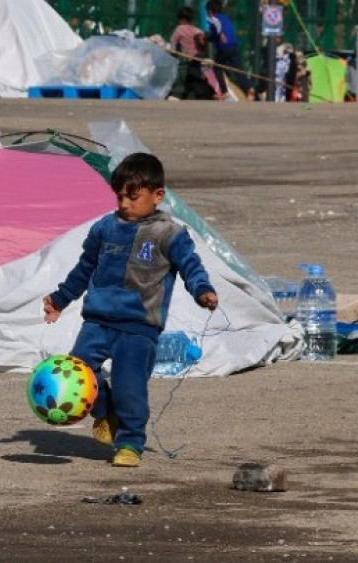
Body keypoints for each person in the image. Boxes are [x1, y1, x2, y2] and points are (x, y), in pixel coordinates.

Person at [42, 153, 218, 468]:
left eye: (133, 197)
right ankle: (107, 412)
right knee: (78, 374)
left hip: (139, 328)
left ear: (157, 195)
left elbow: (191, 265)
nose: (124, 203)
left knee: (129, 386)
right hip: (97, 322)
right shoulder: (104, 228)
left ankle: (130, 444)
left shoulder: (169, 232)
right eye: (120, 196)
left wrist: (202, 290)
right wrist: (60, 298)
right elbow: (83, 269)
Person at [205, 0, 250, 99]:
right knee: (238, 69)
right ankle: (248, 89)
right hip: (235, 46)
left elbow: (215, 32)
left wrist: (206, 38)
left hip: (225, 47)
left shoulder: (214, 19)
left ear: (210, 11)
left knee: (217, 67)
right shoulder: (226, 18)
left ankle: (224, 91)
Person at [169, 6, 214, 100]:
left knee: (181, 76)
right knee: (193, 78)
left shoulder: (179, 29)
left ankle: (177, 94)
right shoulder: (197, 30)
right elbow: (204, 43)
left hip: (185, 59)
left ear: (182, 19)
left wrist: (172, 53)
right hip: (198, 58)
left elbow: (173, 44)